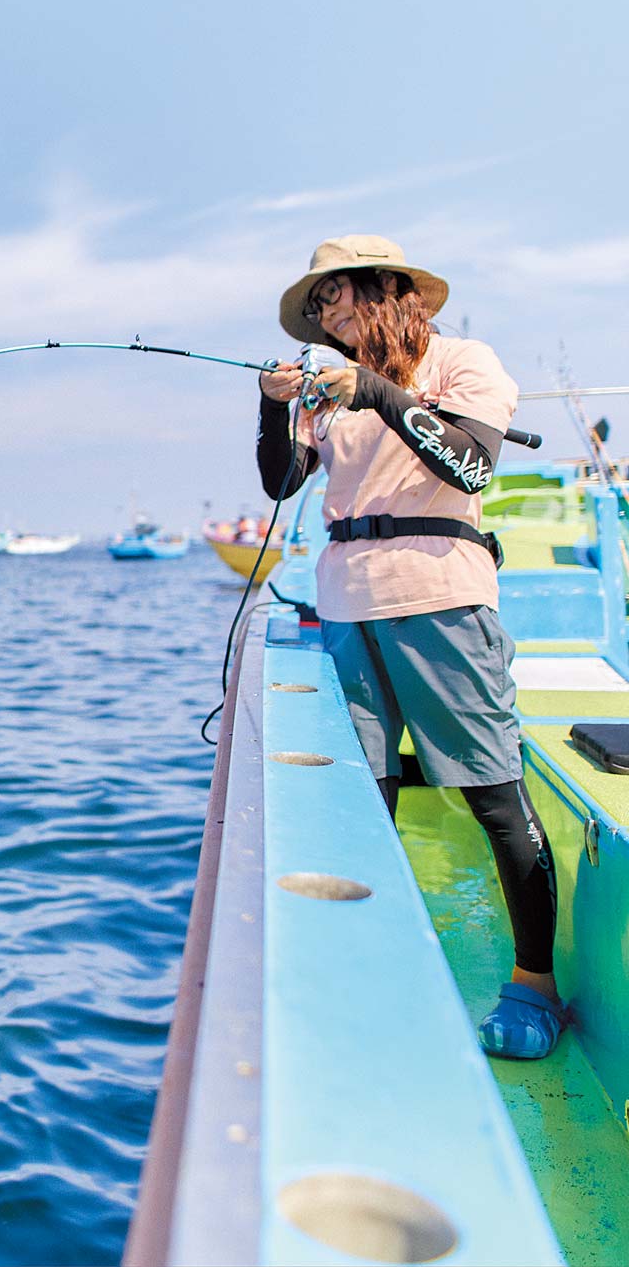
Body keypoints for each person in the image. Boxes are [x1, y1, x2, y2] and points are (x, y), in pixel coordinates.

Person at [256, 234, 565, 1061]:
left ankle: (536, 985)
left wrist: (377, 391)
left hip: (442, 597)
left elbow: (467, 467)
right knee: (366, 800)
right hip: (346, 605)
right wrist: (272, 404)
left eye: (336, 295)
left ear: (391, 289)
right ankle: (369, 968)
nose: (324, 315)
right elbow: (281, 482)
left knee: (493, 796)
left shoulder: (466, 360)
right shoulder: (327, 390)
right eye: (316, 306)